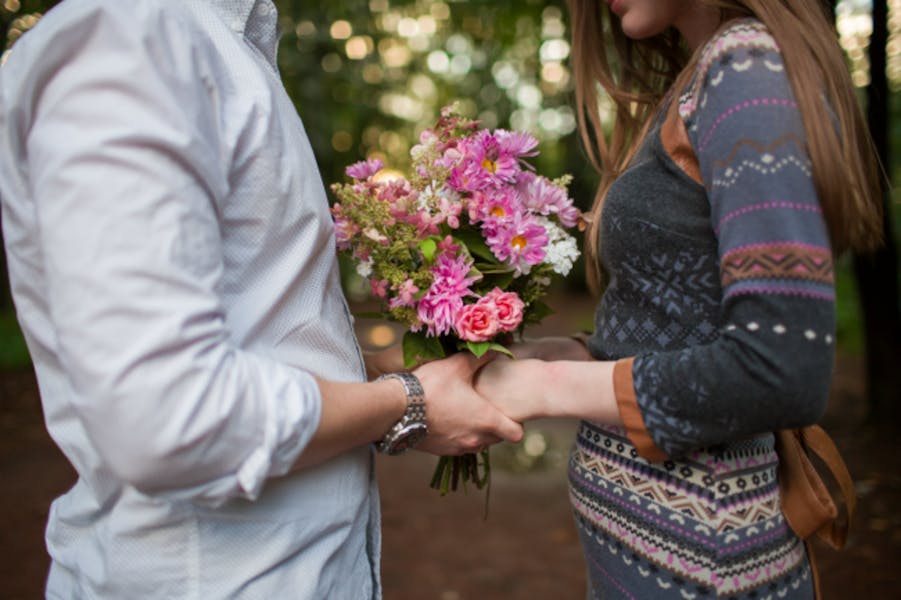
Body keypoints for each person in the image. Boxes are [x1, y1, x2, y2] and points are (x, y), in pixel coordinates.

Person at [0, 0, 523, 597]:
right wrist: (408, 403)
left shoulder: (219, 44)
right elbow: (169, 417)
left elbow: (257, 337)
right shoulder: (133, 35)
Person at [475, 1, 883, 598]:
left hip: (705, 567)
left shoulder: (746, 69)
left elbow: (781, 368)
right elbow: (686, 322)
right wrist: (570, 353)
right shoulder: (700, 76)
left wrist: (545, 388)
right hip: (649, 559)